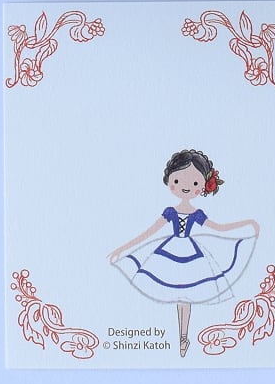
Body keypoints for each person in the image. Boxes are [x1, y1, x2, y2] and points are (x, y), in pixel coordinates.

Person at [108, 149, 260, 358]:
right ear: (170, 181)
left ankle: (183, 337)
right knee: (179, 295)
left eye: (195, 183)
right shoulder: (170, 212)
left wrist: (246, 225)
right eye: (178, 181)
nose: (186, 186)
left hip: (191, 255)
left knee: (185, 296)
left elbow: (219, 228)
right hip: (169, 253)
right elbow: (149, 233)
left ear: (202, 187)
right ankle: (182, 338)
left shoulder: (196, 214)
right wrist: (123, 249)